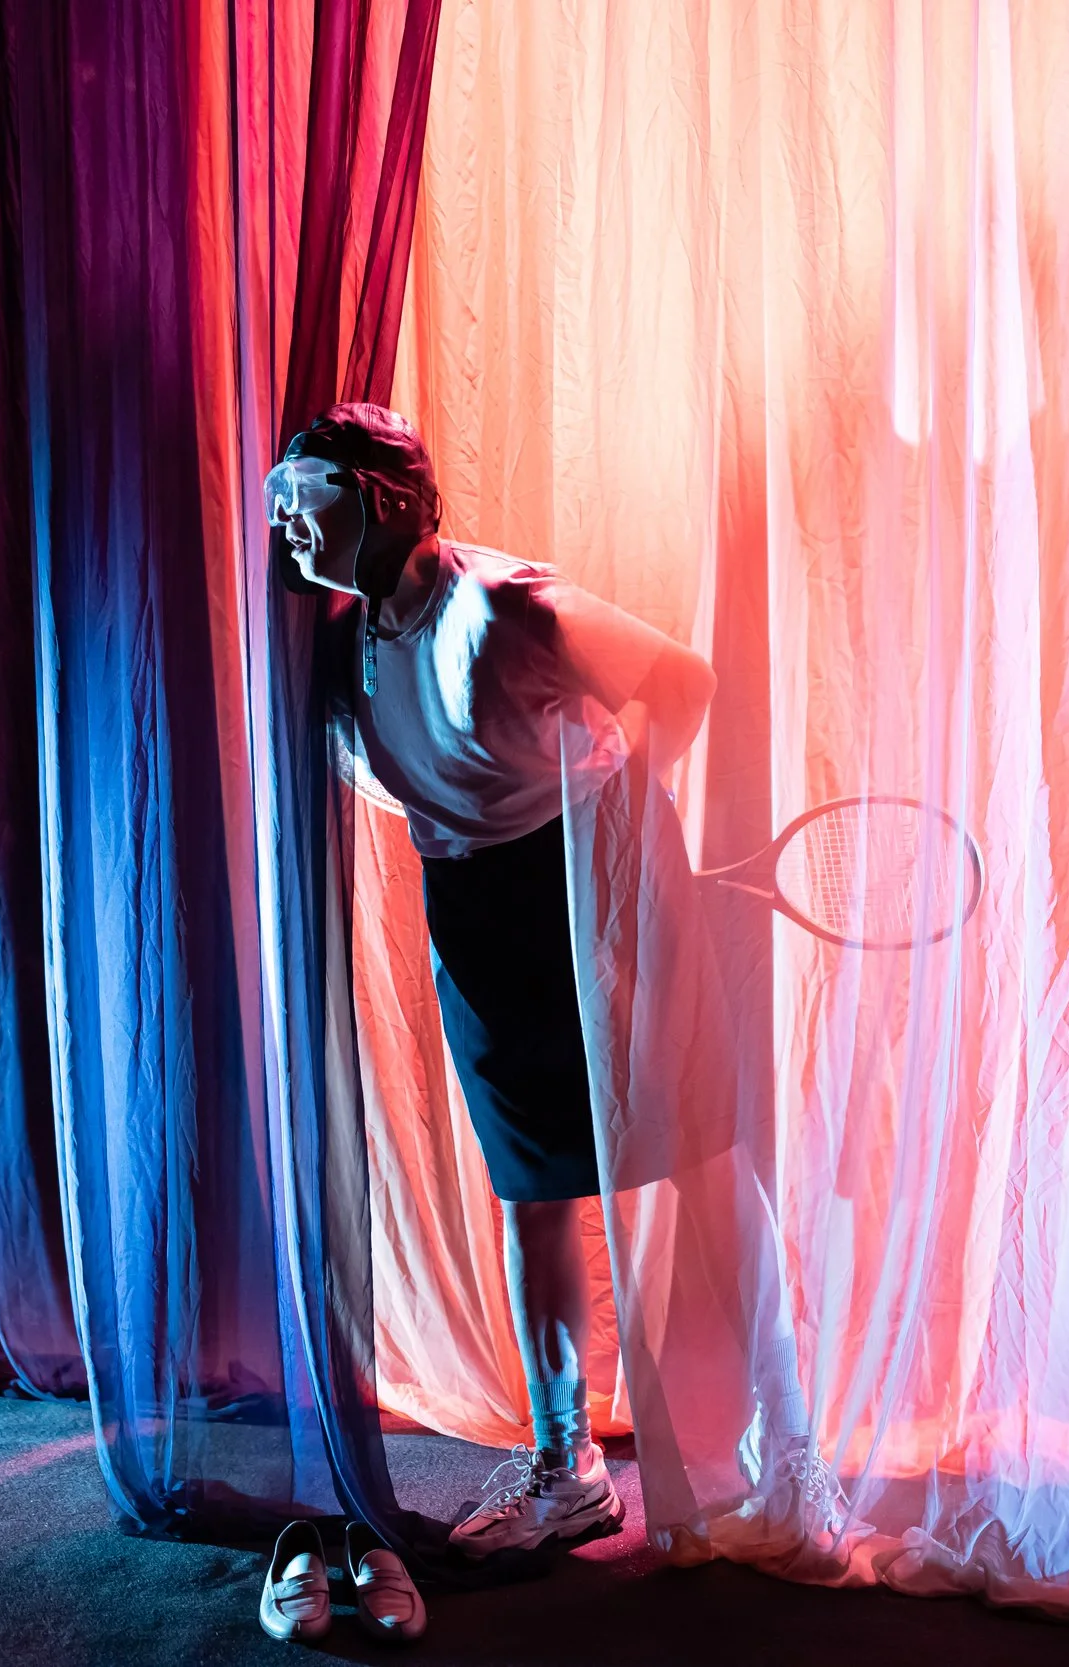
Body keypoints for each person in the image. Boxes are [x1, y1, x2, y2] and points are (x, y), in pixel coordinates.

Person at [265, 403, 717, 1558]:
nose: (286, 530)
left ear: (381, 500)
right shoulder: (335, 635)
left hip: (583, 879)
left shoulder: (507, 603)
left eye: (302, 503)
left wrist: (632, 846)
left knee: (694, 1162)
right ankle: (570, 1464)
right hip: (469, 902)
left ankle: (762, 1436)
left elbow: (679, 678)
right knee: (533, 1184)